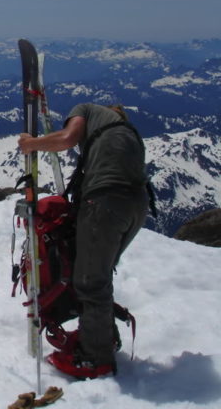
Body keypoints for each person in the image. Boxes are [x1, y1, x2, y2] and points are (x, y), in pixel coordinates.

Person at [18, 103, 149, 379]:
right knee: (98, 273)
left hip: (105, 200)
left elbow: (67, 138)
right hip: (137, 205)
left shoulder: (86, 109)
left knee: (90, 280)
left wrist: (32, 143)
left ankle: (94, 358)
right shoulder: (127, 132)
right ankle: (99, 335)